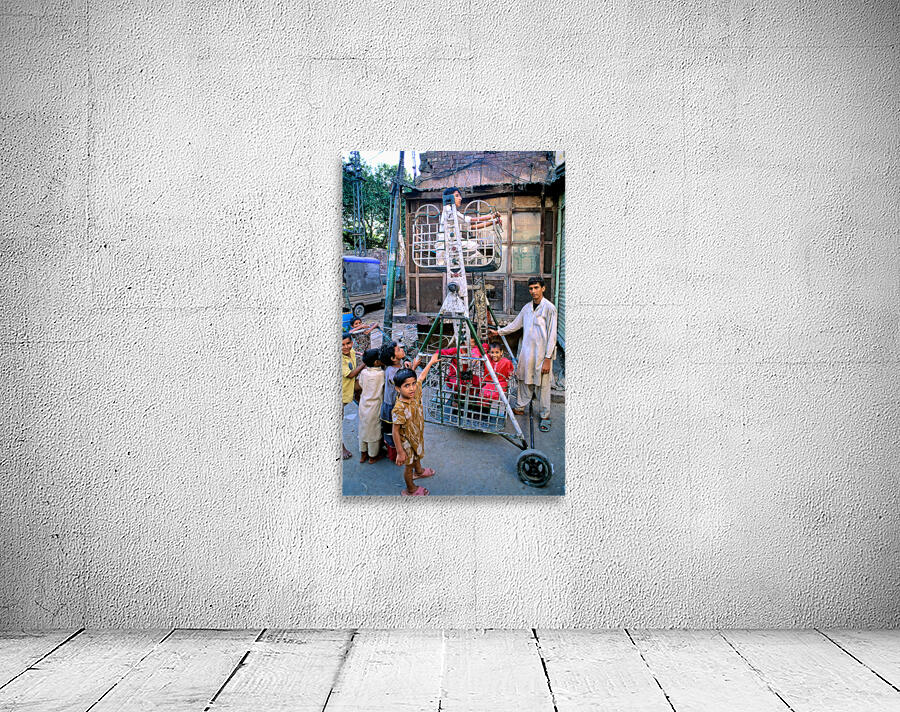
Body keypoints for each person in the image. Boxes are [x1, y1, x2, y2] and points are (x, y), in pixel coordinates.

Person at [489, 277, 557, 431]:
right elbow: (515, 324)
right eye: (531, 288)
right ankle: (520, 406)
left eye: (536, 288)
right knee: (523, 379)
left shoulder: (549, 308)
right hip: (527, 351)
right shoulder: (527, 308)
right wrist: (498, 332)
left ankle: (545, 415)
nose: (533, 291)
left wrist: (548, 358)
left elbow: (552, 335)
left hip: (542, 354)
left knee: (543, 385)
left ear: (543, 289)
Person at [391, 351, 440, 496]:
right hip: (406, 442)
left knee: (417, 455)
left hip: (416, 434)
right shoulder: (399, 408)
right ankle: (410, 489)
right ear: (398, 389)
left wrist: (431, 362)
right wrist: (400, 452)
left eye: (413, 384)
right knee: (408, 466)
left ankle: (419, 472)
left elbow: (422, 376)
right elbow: (395, 431)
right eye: (407, 386)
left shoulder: (414, 393)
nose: (412, 388)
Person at [379, 340, 421, 463]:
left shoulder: (396, 365)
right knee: (392, 431)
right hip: (392, 406)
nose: (402, 350)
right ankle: (395, 455)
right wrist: (414, 367)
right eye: (398, 350)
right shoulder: (392, 373)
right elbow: (405, 384)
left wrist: (406, 365)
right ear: (393, 358)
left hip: (394, 404)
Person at [356, 348, 384, 464]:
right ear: (377, 362)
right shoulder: (381, 374)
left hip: (364, 404)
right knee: (374, 431)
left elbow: (361, 384)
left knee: (363, 428)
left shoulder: (363, 373)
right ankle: (372, 456)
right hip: (375, 405)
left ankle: (363, 454)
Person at [341, 332, 365, 459]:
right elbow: (350, 374)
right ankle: (341, 448)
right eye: (342, 345)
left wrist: (361, 355)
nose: (346, 347)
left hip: (349, 388)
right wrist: (364, 364)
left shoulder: (351, 352)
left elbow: (355, 353)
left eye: (348, 343)